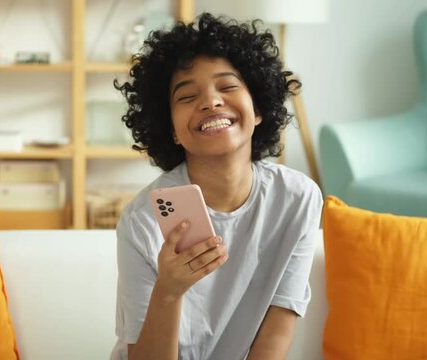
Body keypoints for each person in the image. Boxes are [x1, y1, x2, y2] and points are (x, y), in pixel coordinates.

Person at [110, 13, 322, 360]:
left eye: (227, 86)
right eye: (187, 96)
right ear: (172, 130)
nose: (210, 101)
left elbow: (274, 338)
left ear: (258, 109)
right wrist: (168, 292)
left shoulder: (297, 199)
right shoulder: (142, 222)